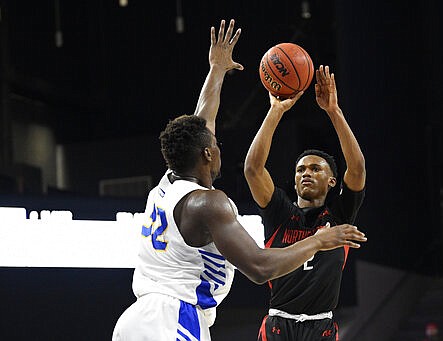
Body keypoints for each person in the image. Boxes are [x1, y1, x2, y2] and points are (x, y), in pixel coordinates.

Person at [112, 20, 367, 341]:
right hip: (173, 316)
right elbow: (259, 267)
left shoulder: (168, 183)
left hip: (137, 317)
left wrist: (216, 70)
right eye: (215, 146)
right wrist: (319, 241)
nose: (219, 148)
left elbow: (203, 118)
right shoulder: (209, 202)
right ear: (206, 154)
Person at [244, 65, 366, 341]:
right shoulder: (280, 212)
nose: (306, 173)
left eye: (315, 169)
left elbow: (357, 169)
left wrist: (333, 112)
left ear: (332, 181)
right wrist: (275, 111)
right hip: (278, 324)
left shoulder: (339, 215)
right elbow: (252, 169)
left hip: (320, 327)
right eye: (300, 170)